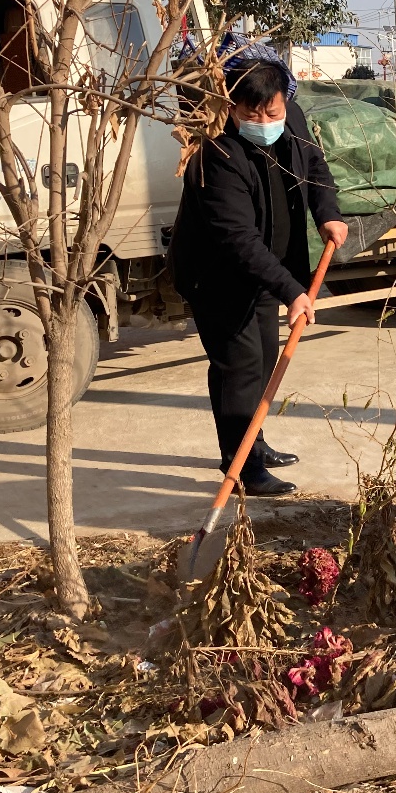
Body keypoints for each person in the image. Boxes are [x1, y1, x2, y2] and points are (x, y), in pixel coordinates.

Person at [170, 41, 350, 496]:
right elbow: (237, 240)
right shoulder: (215, 154)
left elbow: (315, 167)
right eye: (252, 115)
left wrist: (327, 212)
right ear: (230, 106)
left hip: (272, 269)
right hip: (219, 275)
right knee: (241, 365)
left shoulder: (291, 116)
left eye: (273, 114)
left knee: (262, 359)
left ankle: (256, 440)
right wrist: (293, 291)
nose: (265, 123)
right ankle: (243, 466)